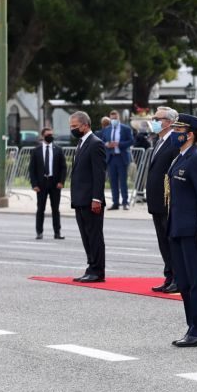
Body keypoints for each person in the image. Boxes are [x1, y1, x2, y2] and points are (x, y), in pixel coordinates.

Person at [166, 114, 197, 348]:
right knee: (184, 283)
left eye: (179, 129)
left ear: (191, 133)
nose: (175, 133)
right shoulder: (179, 158)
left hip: (194, 230)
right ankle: (191, 327)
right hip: (177, 228)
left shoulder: (196, 159)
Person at [145, 106, 180, 293]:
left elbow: (175, 173)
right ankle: (169, 276)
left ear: (169, 122)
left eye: (158, 118)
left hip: (168, 201)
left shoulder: (175, 142)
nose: (155, 121)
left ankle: (178, 278)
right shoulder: (158, 141)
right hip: (156, 200)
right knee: (162, 241)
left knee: (171, 241)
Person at [69, 111, 107, 283]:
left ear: (85, 125)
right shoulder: (81, 143)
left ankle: (97, 270)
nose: (73, 129)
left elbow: (99, 174)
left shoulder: (95, 143)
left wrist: (97, 198)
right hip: (80, 198)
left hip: (91, 200)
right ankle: (91, 266)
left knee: (94, 235)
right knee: (86, 236)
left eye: (75, 126)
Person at [29, 127, 67, 240]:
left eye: (51, 134)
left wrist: (61, 181)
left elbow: (63, 167)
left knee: (55, 209)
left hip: (55, 183)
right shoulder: (36, 151)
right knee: (41, 208)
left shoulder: (58, 150)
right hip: (41, 184)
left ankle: (57, 232)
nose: (50, 136)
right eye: (48, 135)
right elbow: (32, 169)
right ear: (43, 136)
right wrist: (34, 184)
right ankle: (39, 232)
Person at [100, 109, 134, 210]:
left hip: (122, 157)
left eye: (115, 118)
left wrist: (119, 144)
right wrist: (106, 144)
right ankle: (115, 202)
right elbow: (102, 141)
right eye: (112, 119)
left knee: (123, 181)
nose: (114, 120)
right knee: (113, 182)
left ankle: (125, 202)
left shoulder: (125, 129)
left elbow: (131, 141)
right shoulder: (107, 129)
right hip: (111, 158)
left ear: (118, 118)